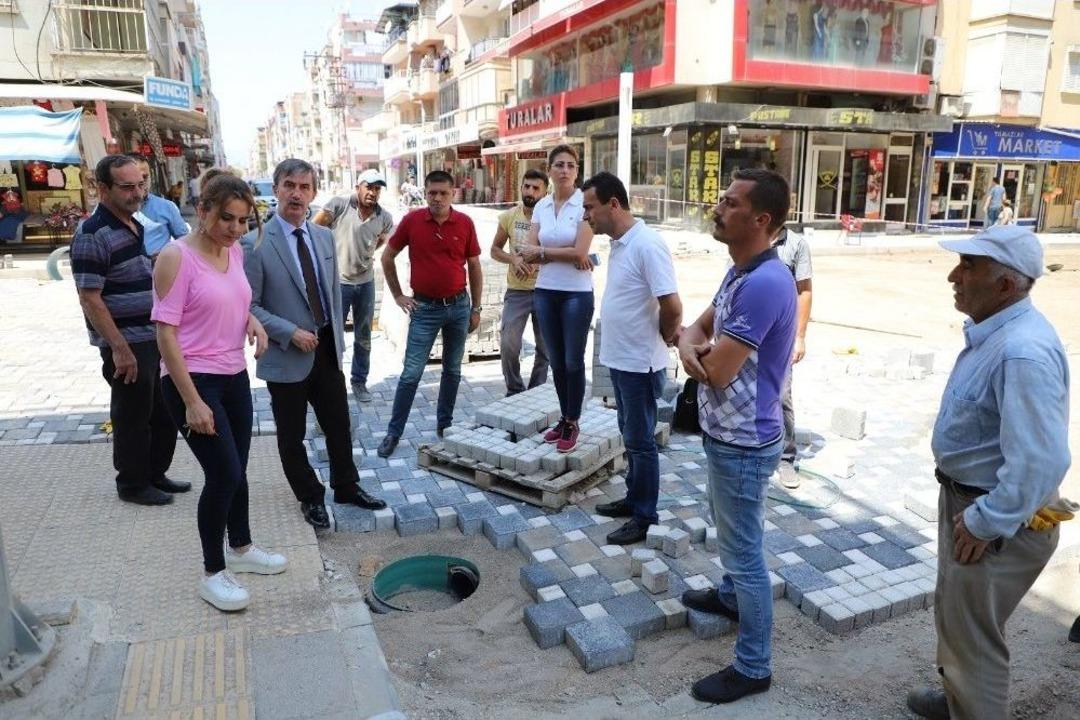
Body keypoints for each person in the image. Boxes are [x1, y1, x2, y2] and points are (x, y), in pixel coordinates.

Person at [905, 225, 1070, 720]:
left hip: (990, 515)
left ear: (1005, 285)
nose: (954, 276)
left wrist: (985, 521)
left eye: (969, 266)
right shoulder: (999, 334)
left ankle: (971, 700)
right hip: (972, 503)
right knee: (960, 620)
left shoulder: (1021, 351)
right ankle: (959, 698)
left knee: (975, 643)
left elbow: (1042, 460)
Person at [676, 168, 796, 704]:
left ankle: (753, 666)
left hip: (745, 442)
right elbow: (695, 332)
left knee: (745, 552)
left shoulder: (767, 282)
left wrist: (691, 353)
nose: (718, 208)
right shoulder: (741, 272)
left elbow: (718, 371)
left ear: (761, 219)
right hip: (727, 432)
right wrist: (690, 349)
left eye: (730, 202)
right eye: (721, 198)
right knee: (732, 532)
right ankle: (729, 598)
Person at [153, 170, 287, 612]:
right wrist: (191, 400)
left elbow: (232, 299)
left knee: (239, 468)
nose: (235, 229)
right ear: (204, 210)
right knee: (224, 475)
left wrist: (250, 320)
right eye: (227, 218)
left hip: (233, 376)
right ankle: (213, 572)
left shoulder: (231, 254)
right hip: (192, 380)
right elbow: (166, 333)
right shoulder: (176, 257)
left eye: (244, 220)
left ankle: (242, 548)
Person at [242, 159, 386, 530]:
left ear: (313, 193)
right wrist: (288, 331)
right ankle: (310, 496)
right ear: (275, 190)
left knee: (339, 424)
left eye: (305, 187)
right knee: (291, 436)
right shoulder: (255, 242)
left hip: (325, 350)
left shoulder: (323, 237)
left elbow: (333, 294)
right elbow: (249, 305)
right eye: (289, 185)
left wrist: (337, 341)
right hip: (286, 353)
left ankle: (346, 485)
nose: (297, 193)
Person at [70, 154, 185, 505]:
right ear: (102, 189)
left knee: (163, 412)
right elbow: (89, 298)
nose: (137, 193)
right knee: (133, 416)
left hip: (152, 337)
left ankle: (154, 473)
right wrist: (118, 347)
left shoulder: (133, 222)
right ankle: (133, 484)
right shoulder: (92, 234)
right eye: (127, 187)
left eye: (140, 185)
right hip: (127, 344)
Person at [583, 172, 682, 545]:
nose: (586, 216)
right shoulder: (622, 243)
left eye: (590, 207)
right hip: (622, 360)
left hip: (640, 363)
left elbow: (671, 304)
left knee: (641, 441)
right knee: (630, 435)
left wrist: (664, 336)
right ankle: (633, 498)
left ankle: (644, 516)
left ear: (613, 204)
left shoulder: (647, 244)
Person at [376, 170, 483, 458]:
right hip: (424, 309)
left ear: (453, 194)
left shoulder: (465, 223)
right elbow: (387, 256)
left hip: (459, 307)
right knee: (411, 373)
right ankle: (393, 433)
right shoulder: (412, 221)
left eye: (443, 193)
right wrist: (398, 294)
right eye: (432, 192)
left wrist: (476, 308)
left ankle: (444, 426)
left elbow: (474, 266)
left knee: (452, 369)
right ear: (425, 192)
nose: (437, 198)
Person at [519, 145, 594, 454]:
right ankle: (563, 418)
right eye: (559, 164)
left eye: (570, 165)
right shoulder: (542, 206)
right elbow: (526, 247)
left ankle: (573, 422)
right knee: (556, 362)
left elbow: (580, 252)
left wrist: (544, 254)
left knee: (574, 361)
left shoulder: (584, 204)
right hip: (546, 291)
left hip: (577, 293)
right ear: (549, 170)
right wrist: (554, 255)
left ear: (577, 171)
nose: (564, 169)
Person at [312, 169, 394, 403]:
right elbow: (314, 229)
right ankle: (330, 381)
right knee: (332, 334)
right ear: (359, 186)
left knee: (364, 335)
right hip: (338, 283)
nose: (373, 192)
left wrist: (364, 255)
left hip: (365, 283)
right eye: (369, 187)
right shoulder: (339, 205)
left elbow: (381, 241)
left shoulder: (384, 217)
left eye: (377, 189)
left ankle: (359, 381)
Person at [489, 169, 550, 396]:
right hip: (517, 291)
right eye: (527, 186)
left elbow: (564, 250)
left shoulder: (551, 220)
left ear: (545, 192)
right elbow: (495, 249)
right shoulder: (509, 217)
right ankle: (514, 390)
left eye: (536, 188)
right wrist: (513, 259)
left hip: (546, 291)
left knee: (545, 348)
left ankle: (536, 392)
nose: (530, 192)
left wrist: (541, 261)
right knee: (509, 345)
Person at [771, 226, 813, 489]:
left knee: (781, 395)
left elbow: (804, 291)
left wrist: (800, 336)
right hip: (751, 333)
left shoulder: (796, 245)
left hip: (781, 336)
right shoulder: (750, 235)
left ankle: (786, 457)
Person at [127, 153, 189, 258]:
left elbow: (185, 243)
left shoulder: (167, 207)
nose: (142, 182)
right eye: (136, 178)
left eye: (145, 177)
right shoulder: (112, 210)